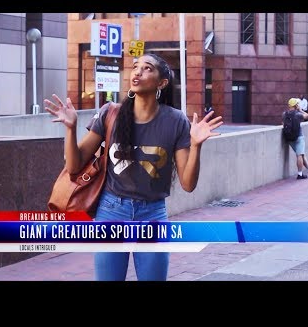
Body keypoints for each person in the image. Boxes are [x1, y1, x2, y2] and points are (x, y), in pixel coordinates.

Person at [44, 53, 223, 281]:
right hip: (110, 212)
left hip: (153, 214)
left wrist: (196, 146)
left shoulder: (175, 121)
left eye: (147, 68)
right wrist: (70, 129)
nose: (137, 72)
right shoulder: (111, 113)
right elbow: (74, 165)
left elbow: (188, 184)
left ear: (162, 83)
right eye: (135, 67)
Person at [282, 98, 308, 180]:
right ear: (296, 105)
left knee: (301, 154)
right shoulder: (298, 114)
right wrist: (300, 110)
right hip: (298, 137)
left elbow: (283, 124)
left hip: (289, 138)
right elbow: (307, 116)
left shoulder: (284, 114)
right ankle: (300, 174)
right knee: (299, 155)